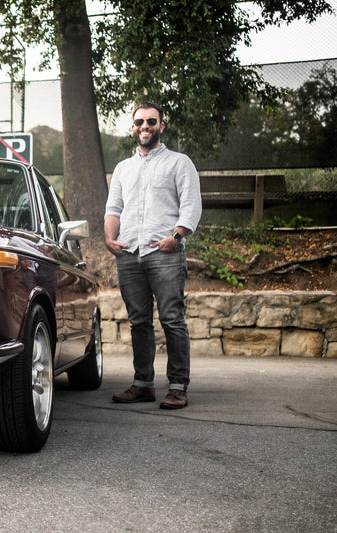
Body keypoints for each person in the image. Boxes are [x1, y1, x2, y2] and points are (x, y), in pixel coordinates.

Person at [104, 102, 202, 409]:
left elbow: (191, 206)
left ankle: (177, 386)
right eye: (139, 122)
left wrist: (176, 237)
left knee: (172, 319)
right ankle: (143, 384)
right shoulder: (122, 168)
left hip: (165, 252)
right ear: (132, 127)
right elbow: (113, 209)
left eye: (151, 121)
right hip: (129, 254)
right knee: (139, 322)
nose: (144, 126)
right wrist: (109, 238)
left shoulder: (179, 163)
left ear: (161, 126)